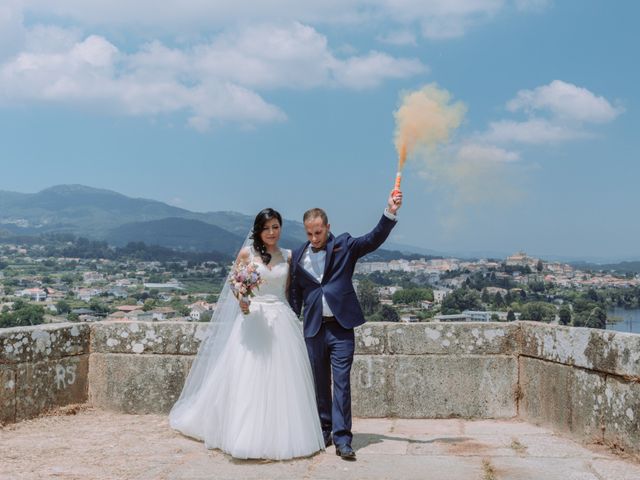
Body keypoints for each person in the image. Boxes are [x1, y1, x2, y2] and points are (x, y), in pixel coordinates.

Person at [169, 208, 324, 460]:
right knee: (248, 377)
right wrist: (242, 299)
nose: (272, 232)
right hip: (252, 318)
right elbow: (235, 284)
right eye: (267, 228)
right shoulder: (246, 254)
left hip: (281, 319)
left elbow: (288, 291)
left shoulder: (289, 256)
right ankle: (244, 435)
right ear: (258, 230)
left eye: (276, 227)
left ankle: (283, 435)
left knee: (283, 380)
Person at [288, 190, 403, 460]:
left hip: (341, 328)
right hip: (313, 328)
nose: (314, 238)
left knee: (341, 383)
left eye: (318, 232)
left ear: (328, 227)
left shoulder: (345, 245)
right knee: (319, 383)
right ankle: (324, 430)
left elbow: (373, 239)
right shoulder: (297, 255)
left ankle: (343, 439)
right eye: (309, 234)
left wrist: (390, 211)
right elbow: (295, 292)